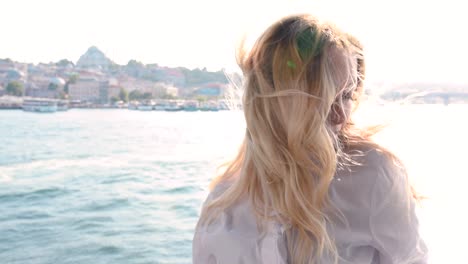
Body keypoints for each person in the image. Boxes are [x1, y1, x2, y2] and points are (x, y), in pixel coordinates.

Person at [192, 14, 428, 264]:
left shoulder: (373, 175)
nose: (340, 115)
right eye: (323, 98)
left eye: (347, 95)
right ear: (276, 101)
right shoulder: (223, 199)